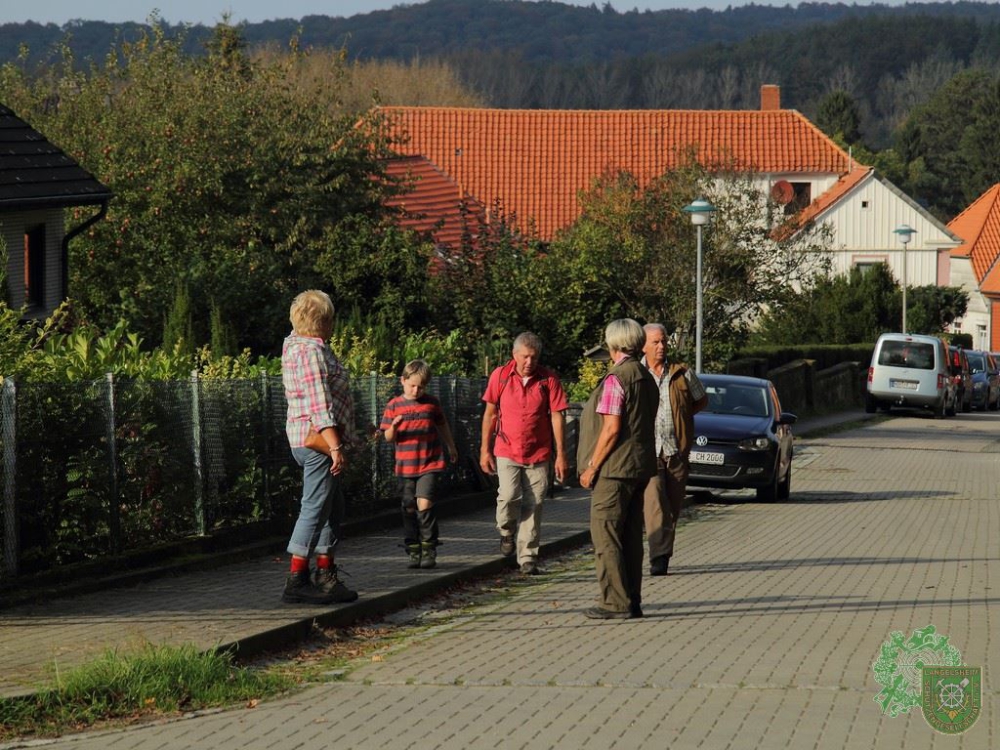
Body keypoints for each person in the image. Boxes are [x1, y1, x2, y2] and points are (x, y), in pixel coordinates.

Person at [280, 290, 359, 605]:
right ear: (324, 321)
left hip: (310, 439)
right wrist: (336, 446)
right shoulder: (311, 352)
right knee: (315, 507)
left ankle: (325, 573)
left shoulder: (295, 346)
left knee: (331, 505)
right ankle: (297, 578)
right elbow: (319, 403)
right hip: (317, 442)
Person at [578, 318, 659, 619]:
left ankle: (614, 601)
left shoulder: (617, 378)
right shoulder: (645, 375)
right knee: (630, 538)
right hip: (639, 467)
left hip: (614, 469)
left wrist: (591, 467)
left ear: (613, 344)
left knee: (606, 535)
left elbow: (611, 429)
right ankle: (632, 599)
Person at [480, 332, 569, 575]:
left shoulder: (548, 379)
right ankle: (506, 531)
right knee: (508, 496)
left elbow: (558, 417)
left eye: (534, 357)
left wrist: (561, 454)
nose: (529, 362)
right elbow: (490, 414)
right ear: (515, 355)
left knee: (535, 502)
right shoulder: (500, 376)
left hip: (539, 451)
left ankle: (528, 557)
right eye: (525, 357)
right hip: (507, 448)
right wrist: (484, 450)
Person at [641, 323, 707, 577]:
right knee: (655, 503)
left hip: (676, 452)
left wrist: (683, 416)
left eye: (664, 341)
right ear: (644, 346)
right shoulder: (637, 373)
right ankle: (658, 557)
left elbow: (701, 400)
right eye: (656, 342)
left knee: (672, 509)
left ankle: (663, 551)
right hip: (649, 452)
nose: (661, 346)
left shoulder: (681, 374)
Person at [380, 359, 459, 570]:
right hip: (405, 466)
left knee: (425, 504)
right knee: (409, 506)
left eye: (421, 386)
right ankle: (413, 548)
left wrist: (451, 446)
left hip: (429, 463)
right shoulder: (394, 405)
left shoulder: (431, 403)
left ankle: (429, 547)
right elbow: (387, 437)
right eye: (412, 385)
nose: (416, 390)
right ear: (403, 381)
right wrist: (394, 427)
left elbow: (442, 425)